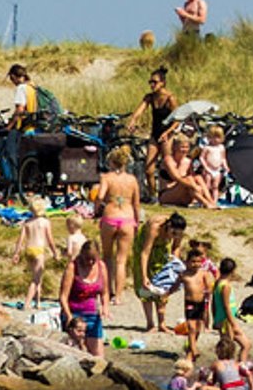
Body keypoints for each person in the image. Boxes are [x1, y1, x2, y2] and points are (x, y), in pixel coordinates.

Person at [92, 146, 142, 309]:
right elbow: (136, 203)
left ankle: (108, 292)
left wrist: (96, 208)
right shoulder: (132, 180)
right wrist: (138, 221)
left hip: (111, 216)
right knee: (122, 260)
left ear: (112, 162)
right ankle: (118, 296)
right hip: (127, 218)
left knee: (107, 258)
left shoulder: (106, 177)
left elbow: (100, 196)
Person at [132, 211, 190, 332]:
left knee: (163, 285)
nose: (174, 236)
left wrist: (174, 265)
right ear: (168, 226)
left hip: (161, 252)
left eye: (177, 235)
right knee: (146, 290)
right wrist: (144, 276)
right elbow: (145, 252)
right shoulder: (155, 227)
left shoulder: (178, 232)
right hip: (143, 250)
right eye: (173, 233)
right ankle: (150, 323)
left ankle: (162, 323)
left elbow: (176, 248)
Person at [59, 240, 108, 358]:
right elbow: (63, 297)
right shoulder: (72, 267)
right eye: (87, 259)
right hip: (74, 314)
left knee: (99, 357)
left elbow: (105, 293)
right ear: (81, 254)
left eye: (93, 259)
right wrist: (69, 317)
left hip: (92, 315)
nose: (90, 262)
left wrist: (105, 307)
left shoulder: (101, 266)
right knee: (74, 354)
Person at [12, 199, 54, 306]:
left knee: (37, 276)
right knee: (35, 280)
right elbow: (50, 239)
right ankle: (27, 303)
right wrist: (54, 251)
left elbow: (20, 240)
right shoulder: (45, 222)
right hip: (39, 250)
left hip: (29, 249)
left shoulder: (28, 222)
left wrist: (16, 253)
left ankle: (38, 302)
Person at [126, 67, 179, 145]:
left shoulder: (170, 98)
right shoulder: (150, 97)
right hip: (155, 133)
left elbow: (177, 119)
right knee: (149, 157)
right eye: (150, 82)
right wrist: (133, 121)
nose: (152, 85)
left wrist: (168, 132)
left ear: (163, 82)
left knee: (167, 157)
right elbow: (139, 111)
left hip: (167, 133)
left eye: (154, 82)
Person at [157, 134, 214, 207]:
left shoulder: (188, 161)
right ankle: (205, 203)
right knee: (188, 179)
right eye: (182, 147)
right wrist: (195, 187)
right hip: (167, 194)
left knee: (198, 178)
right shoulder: (168, 160)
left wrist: (196, 187)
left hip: (184, 194)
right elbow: (176, 178)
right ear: (174, 147)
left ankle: (210, 201)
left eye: (187, 147)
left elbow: (194, 178)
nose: (185, 150)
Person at [211, 256, 250, 363]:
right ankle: (231, 369)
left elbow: (213, 303)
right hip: (226, 321)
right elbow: (226, 306)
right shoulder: (225, 286)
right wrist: (233, 323)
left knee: (245, 344)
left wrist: (214, 317)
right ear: (233, 271)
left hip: (223, 319)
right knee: (228, 349)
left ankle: (239, 366)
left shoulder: (218, 283)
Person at [178, 247, 214, 359]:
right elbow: (175, 286)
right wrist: (167, 293)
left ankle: (191, 347)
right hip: (189, 302)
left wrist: (208, 290)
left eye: (199, 262)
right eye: (193, 261)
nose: (196, 264)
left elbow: (209, 286)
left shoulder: (204, 273)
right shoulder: (184, 275)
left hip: (201, 302)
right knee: (191, 327)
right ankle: (193, 348)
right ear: (187, 262)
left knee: (198, 327)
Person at [198, 125, 229, 205]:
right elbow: (202, 158)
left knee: (215, 186)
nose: (215, 140)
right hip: (208, 169)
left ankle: (214, 201)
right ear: (208, 138)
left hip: (217, 170)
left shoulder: (221, 147)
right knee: (207, 185)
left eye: (218, 137)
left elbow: (223, 158)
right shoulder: (207, 148)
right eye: (212, 137)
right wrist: (205, 167)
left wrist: (225, 166)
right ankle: (205, 200)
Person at [6, 63, 38, 130]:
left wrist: (9, 127)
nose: (12, 82)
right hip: (35, 126)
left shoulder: (21, 88)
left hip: (26, 128)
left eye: (11, 79)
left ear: (14, 76)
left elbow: (20, 109)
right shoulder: (32, 85)